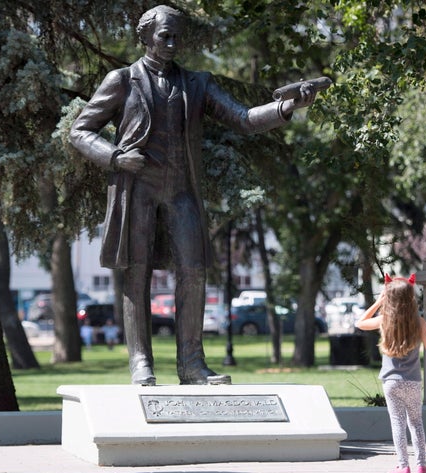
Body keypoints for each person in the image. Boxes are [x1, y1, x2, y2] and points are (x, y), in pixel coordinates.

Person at [69, 5, 319, 385]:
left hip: (182, 190)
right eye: (164, 35)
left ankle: (191, 364)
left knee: (194, 271)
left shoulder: (196, 83)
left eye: (177, 37)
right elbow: (80, 131)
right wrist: (116, 157)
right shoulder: (122, 80)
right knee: (136, 273)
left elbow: (244, 119)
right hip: (138, 187)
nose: (171, 43)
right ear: (145, 37)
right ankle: (141, 362)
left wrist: (286, 106)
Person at [355, 274, 426, 473]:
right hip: (412, 381)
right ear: (410, 297)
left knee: (397, 423)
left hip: (391, 381)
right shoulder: (419, 321)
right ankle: (422, 465)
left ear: (389, 297)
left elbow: (361, 323)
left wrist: (378, 302)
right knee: (416, 422)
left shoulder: (384, 319)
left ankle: (403, 466)